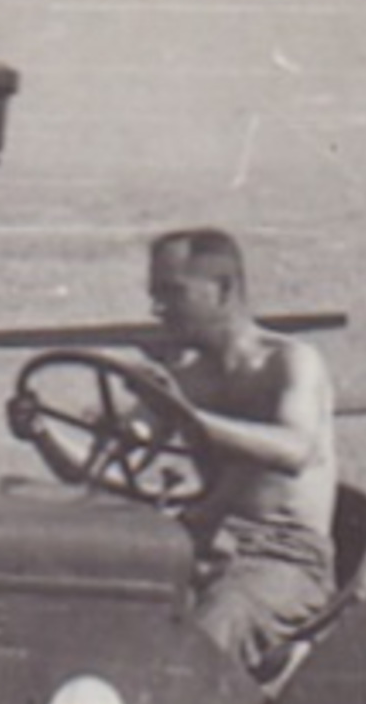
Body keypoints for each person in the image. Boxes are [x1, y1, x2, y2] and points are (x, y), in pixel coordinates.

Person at [145, 228, 339, 674]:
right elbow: (109, 458)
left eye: (172, 292)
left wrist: (187, 417)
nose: (158, 309)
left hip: (283, 557)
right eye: (155, 295)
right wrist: (43, 431)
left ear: (224, 290)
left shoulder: (290, 361)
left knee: (201, 644)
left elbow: (295, 451)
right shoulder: (188, 377)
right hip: (199, 546)